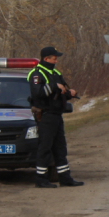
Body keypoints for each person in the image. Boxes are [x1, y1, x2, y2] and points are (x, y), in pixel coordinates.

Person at [29, 46, 84, 188]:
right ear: (45, 59)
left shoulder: (55, 73)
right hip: (46, 116)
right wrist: (54, 86)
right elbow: (38, 93)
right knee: (45, 148)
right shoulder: (36, 74)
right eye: (54, 58)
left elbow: (60, 93)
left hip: (57, 115)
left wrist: (69, 93)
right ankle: (41, 179)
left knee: (60, 148)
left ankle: (65, 178)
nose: (56, 60)